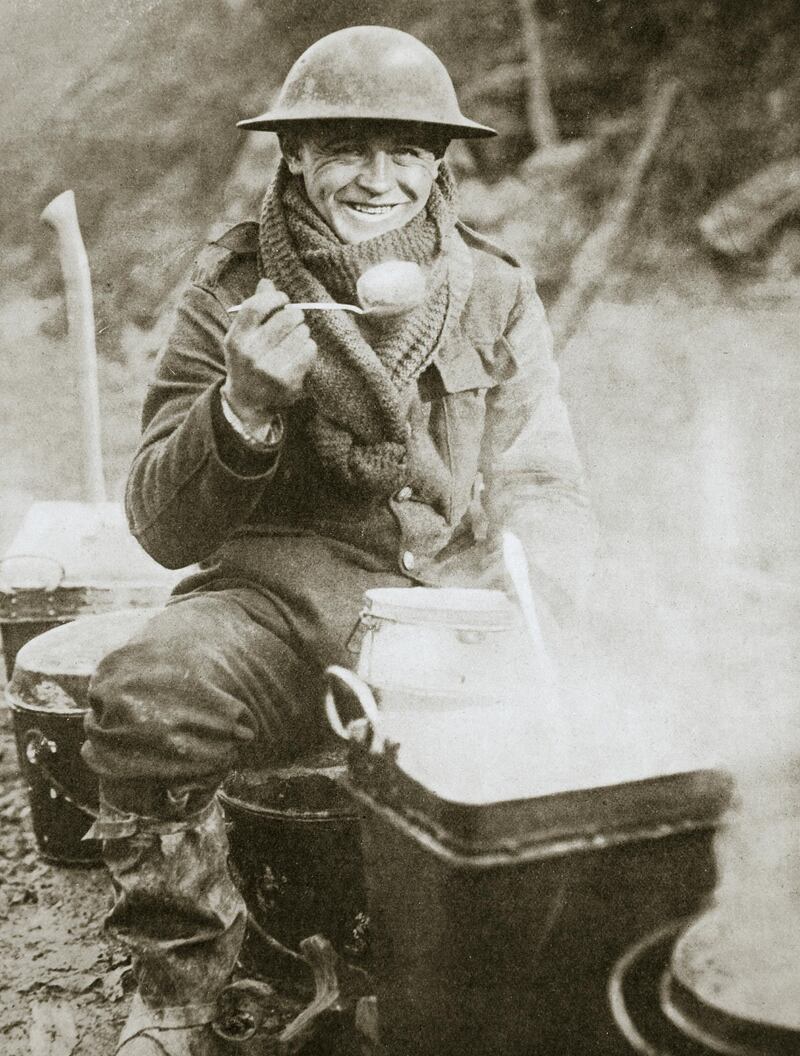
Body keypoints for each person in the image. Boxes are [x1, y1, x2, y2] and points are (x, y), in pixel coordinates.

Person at [83, 25, 595, 1056]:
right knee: (148, 687)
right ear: (296, 157)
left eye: (404, 149)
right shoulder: (231, 287)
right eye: (347, 148)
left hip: (446, 609)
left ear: (438, 160)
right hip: (277, 609)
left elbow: (542, 477)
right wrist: (241, 408)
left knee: (606, 715)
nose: (378, 177)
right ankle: (180, 985)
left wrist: (538, 595)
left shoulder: (490, 289)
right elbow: (155, 522)